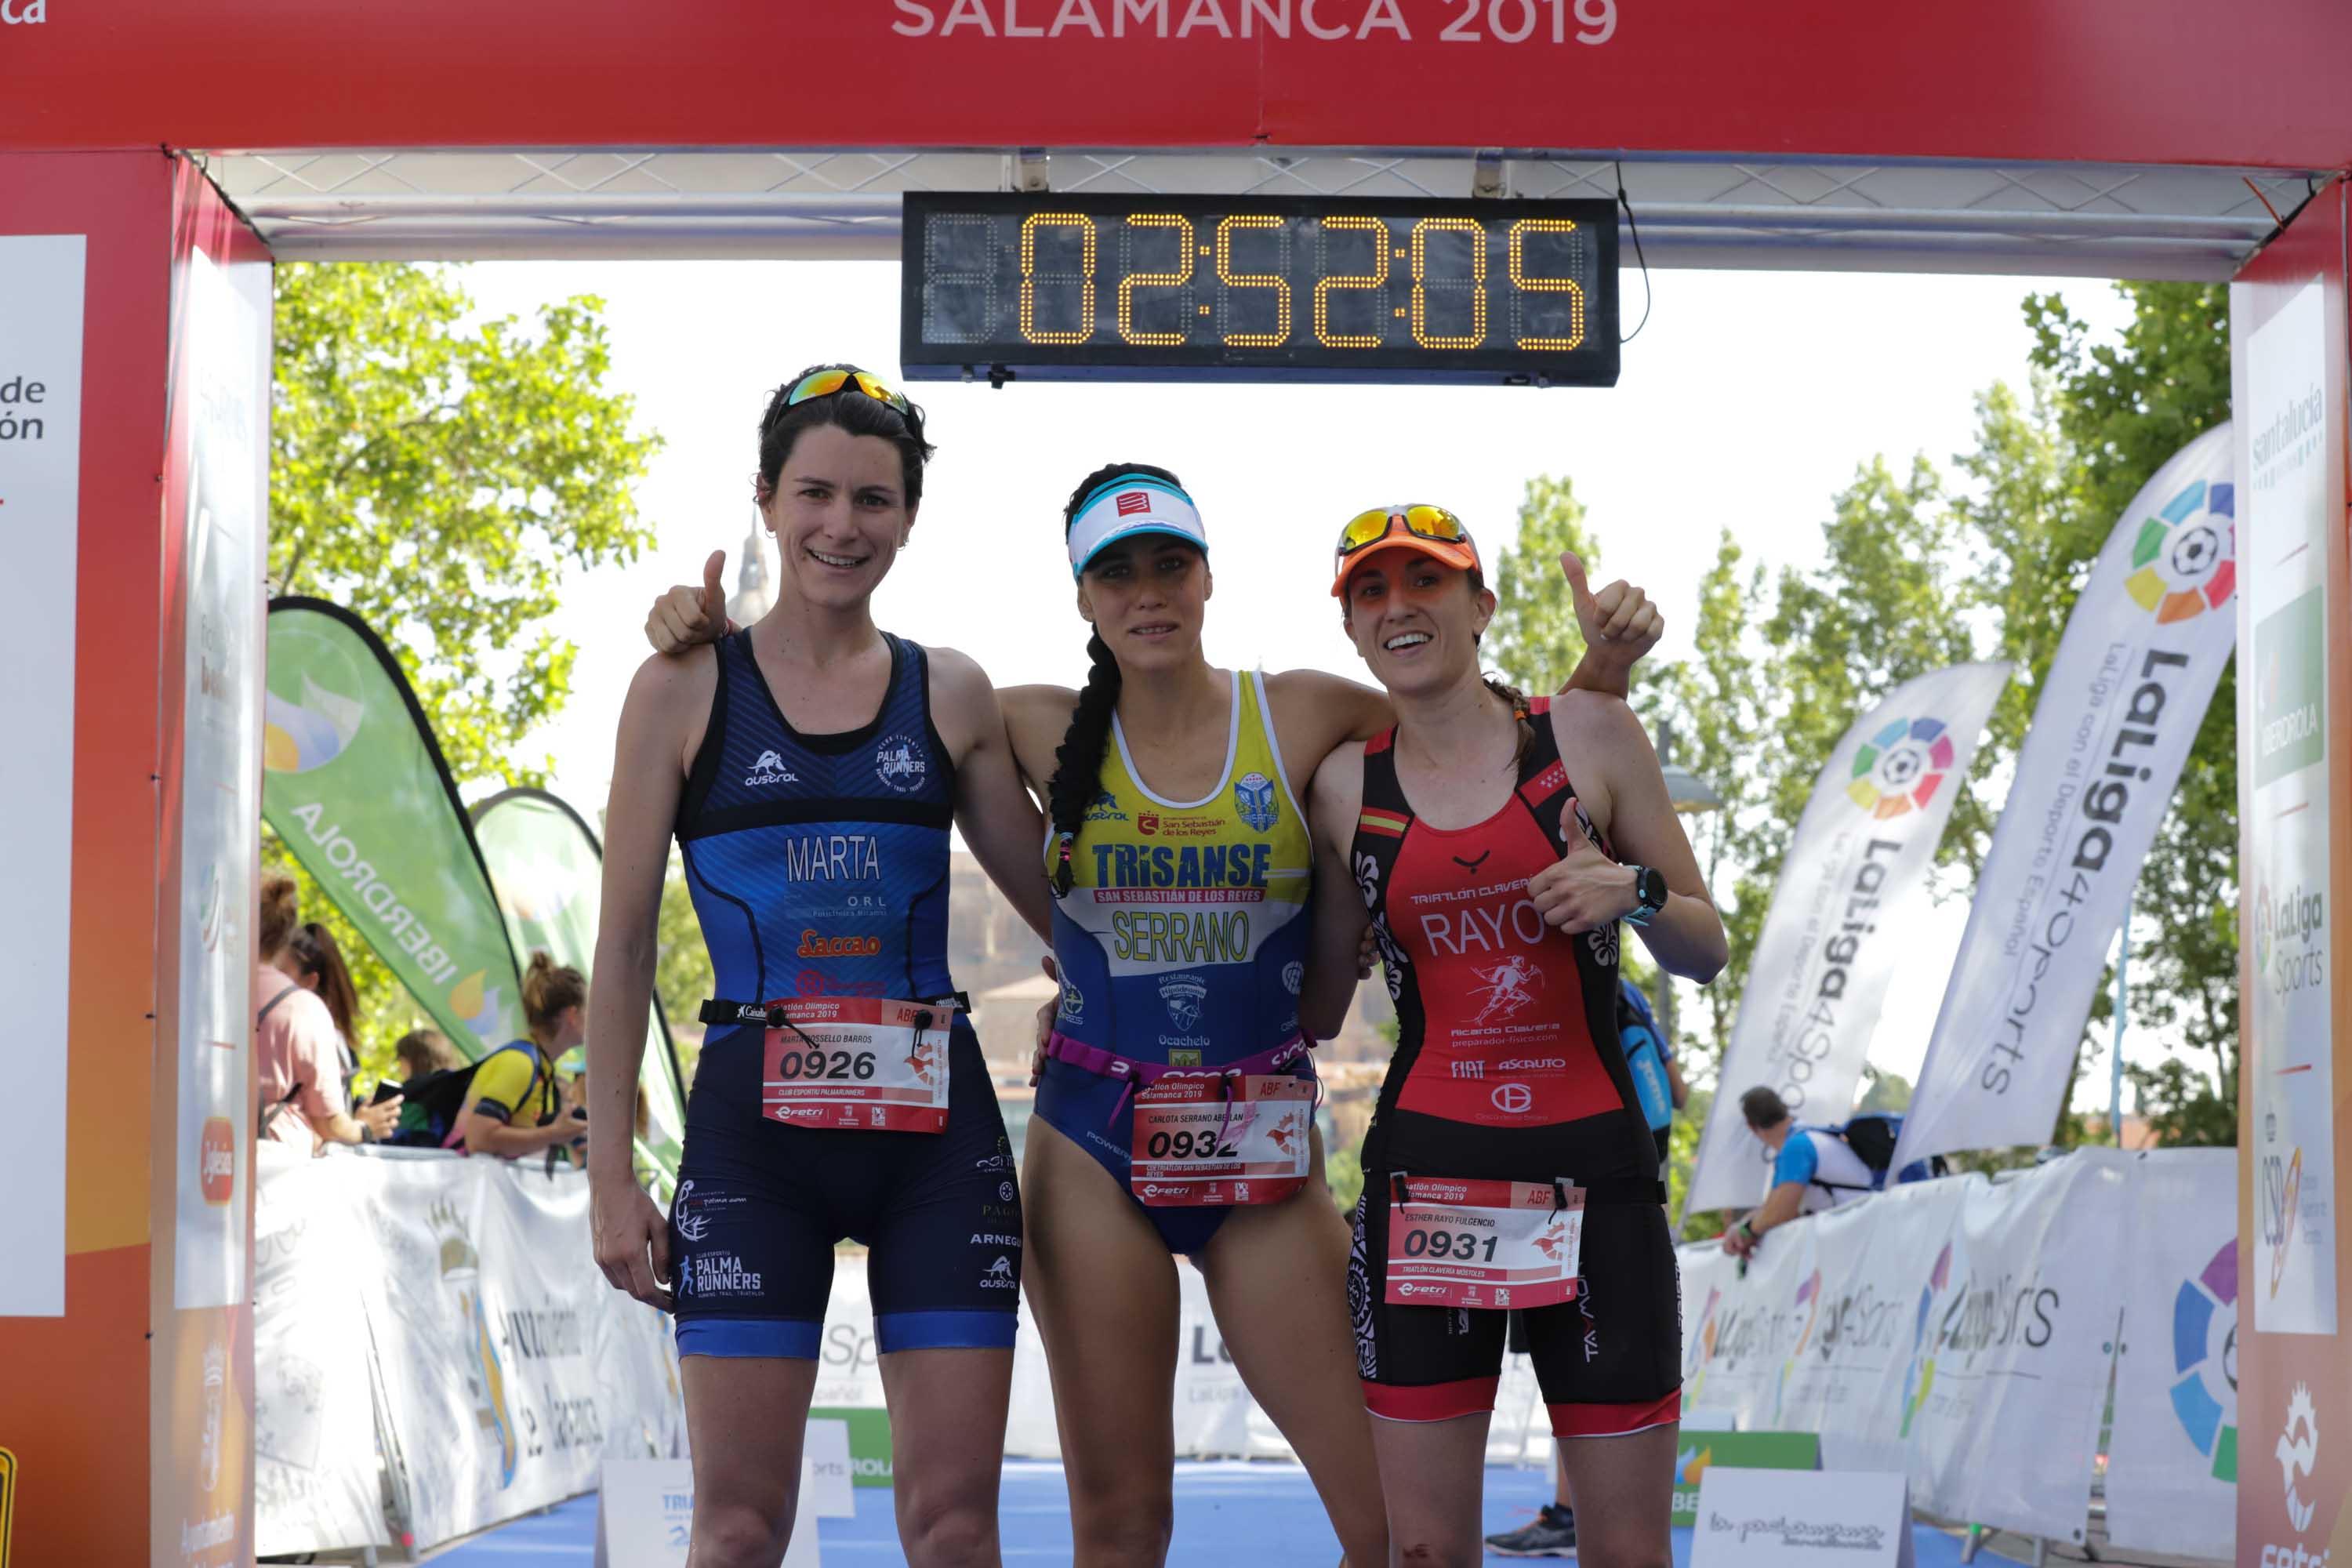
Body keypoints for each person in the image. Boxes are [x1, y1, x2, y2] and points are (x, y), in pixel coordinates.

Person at [646, 463, 1661, 1566]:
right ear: (1083, 597)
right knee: (1124, 1532)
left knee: (1389, 1524)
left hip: (1263, 1155)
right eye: (1116, 572)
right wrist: (715, 640)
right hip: (1094, 1151)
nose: (1148, 592)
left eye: (1170, 563)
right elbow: (836, 692)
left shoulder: (1308, 708)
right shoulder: (1024, 721)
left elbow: (1474, 735)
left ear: (1210, 575)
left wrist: (1596, 673)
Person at [593, 365, 1053, 1568]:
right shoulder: (682, 690)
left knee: (955, 1530)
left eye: (873, 500)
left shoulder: (948, 690)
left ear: (909, 517)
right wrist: (606, 1179)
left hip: (938, 1149)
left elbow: (1063, 906)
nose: (841, 526)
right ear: (764, 499)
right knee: (738, 1531)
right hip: (755, 1149)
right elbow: (624, 946)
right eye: (814, 495)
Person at [1299, 504, 1727, 1568]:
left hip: (1597, 1174)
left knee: (1627, 1553)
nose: (1400, 606)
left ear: (1480, 606)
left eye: (1427, 582)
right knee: (1426, 1553)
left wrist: (1635, 889)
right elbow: (1313, 1006)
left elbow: (1706, 946)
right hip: (1431, 1178)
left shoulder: (1588, 733)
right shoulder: (1345, 786)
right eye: (1372, 591)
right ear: (1351, 629)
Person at [1485, 976, 1690, 1561]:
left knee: (1571, 1363)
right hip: (1629, 1191)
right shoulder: (1634, 996)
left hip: (1556, 1192)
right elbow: (1675, 1095)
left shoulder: (1548, 976)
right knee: (1603, 1366)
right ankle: (1579, 1513)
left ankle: (1573, 1513)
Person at [255, 875, 401, 1149]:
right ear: (285, 936)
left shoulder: (203, 986)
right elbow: (329, 1124)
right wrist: (365, 1129)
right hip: (271, 1166)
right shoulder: (303, 1009)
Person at [1719, 1087, 1932, 1261]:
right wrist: (1744, 1226)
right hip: (1878, 1233)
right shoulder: (1808, 1138)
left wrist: (1747, 1231)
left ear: (1750, 1126)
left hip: (1873, 1240)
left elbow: (1780, 1213)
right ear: (1784, 1108)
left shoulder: (1796, 1148)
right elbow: (1771, 1207)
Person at [460, 951, 592, 1161]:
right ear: (572, 1014)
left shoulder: (542, 1066)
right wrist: (553, 1134)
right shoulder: (520, 1063)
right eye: (589, 1010)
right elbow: (478, 1139)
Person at [286, 920, 363, 1104]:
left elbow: (329, 1120)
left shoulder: (314, 1036)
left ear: (310, 982)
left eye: (281, 973)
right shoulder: (336, 1038)